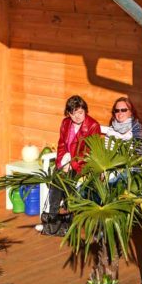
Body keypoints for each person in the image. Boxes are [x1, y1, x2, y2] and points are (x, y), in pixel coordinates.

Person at [37, 95, 100, 230]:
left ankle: (63, 219)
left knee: (66, 179)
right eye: (73, 113)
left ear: (85, 111)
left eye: (80, 112)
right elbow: (61, 144)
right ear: (68, 113)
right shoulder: (66, 123)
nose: (77, 117)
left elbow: (90, 151)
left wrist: (72, 164)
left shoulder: (93, 126)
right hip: (66, 162)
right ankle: (53, 218)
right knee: (57, 178)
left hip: (83, 165)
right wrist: (61, 163)